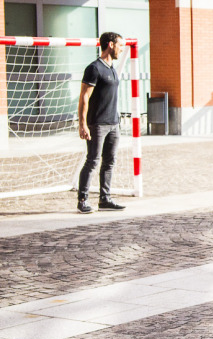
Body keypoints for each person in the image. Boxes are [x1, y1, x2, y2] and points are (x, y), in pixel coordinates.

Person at [76, 32, 126, 214]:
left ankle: (105, 199)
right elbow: (84, 97)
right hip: (97, 124)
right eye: (120, 45)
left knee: (110, 162)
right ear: (111, 45)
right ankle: (83, 200)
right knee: (92, 161)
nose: (122, 49)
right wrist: (83, 124)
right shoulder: (94, 68)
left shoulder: (112, 68)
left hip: (114, 123)